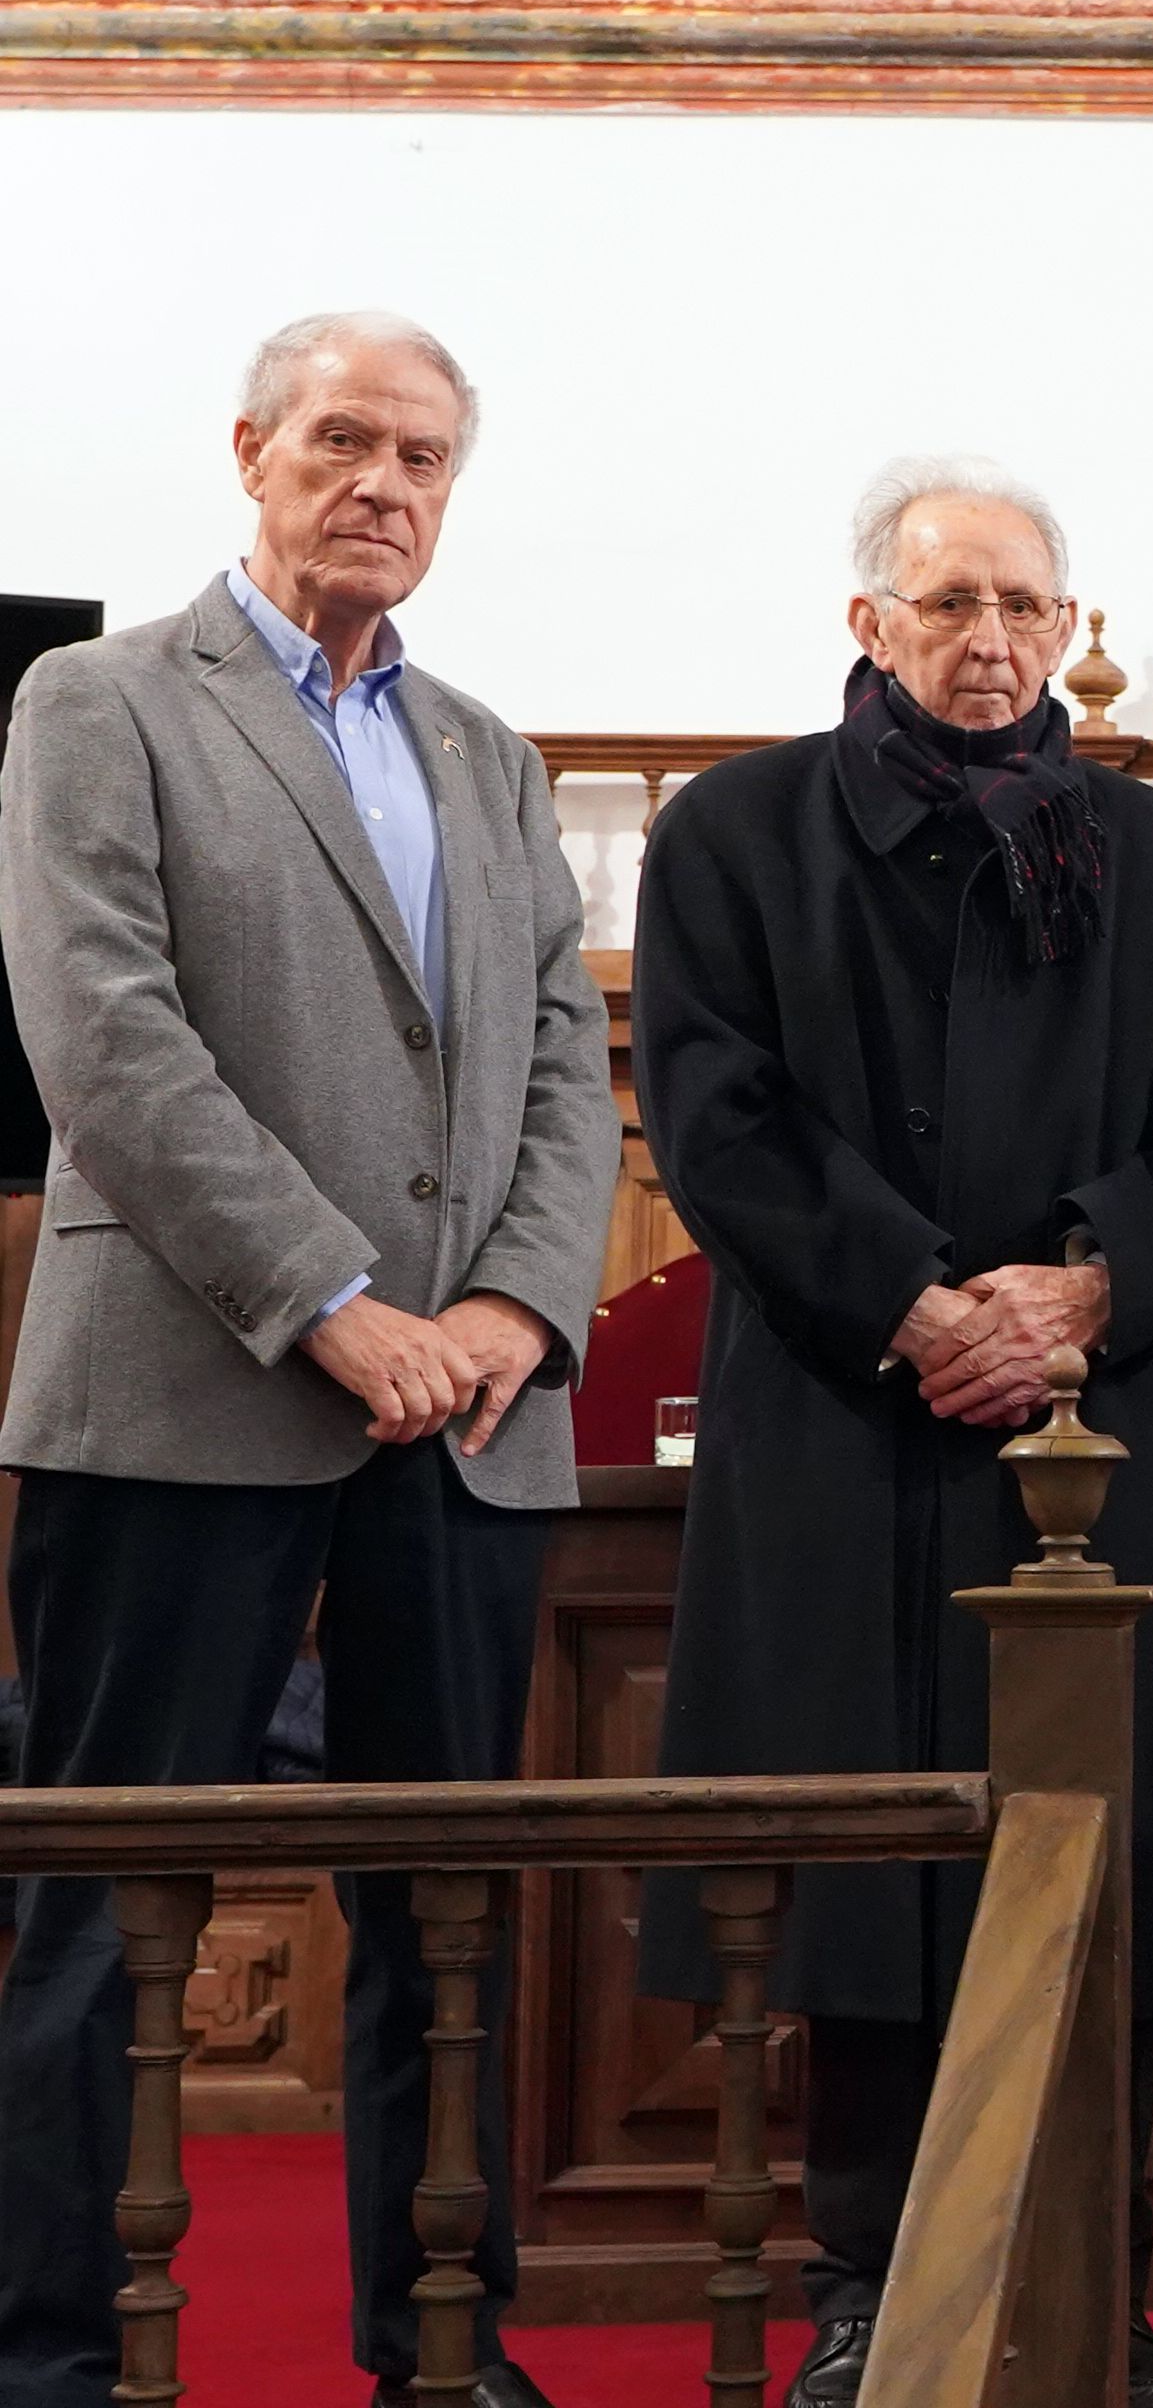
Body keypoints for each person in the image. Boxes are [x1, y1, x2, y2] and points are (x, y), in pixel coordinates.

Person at [0, 311, 619, 2408]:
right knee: (106, 1909)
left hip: (466, 1421)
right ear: (253, 449)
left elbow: (565, 1062)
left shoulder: (487, 753)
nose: (383, 484)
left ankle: (441, 2344)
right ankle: (49, 2358)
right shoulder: (99, 702)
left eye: (423, 457)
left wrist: (512, 1309)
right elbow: (106, 1040)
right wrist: (335, 1304)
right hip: (189, 1397)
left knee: (452, 1919)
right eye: (345, 439)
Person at [627, 457, 1153, 2408]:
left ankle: (1095, 2279)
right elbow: (716, 1117)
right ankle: (866, 2284)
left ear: (1068, 627)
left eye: (1025, 606)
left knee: (1095, 1859)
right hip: (842, 1430)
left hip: (1092, 1446)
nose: (991, 639)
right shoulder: (735, 837)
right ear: (870, 624)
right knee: (863, 1868)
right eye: (949, 604)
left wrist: (1076, 1295)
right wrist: (913, 1307)